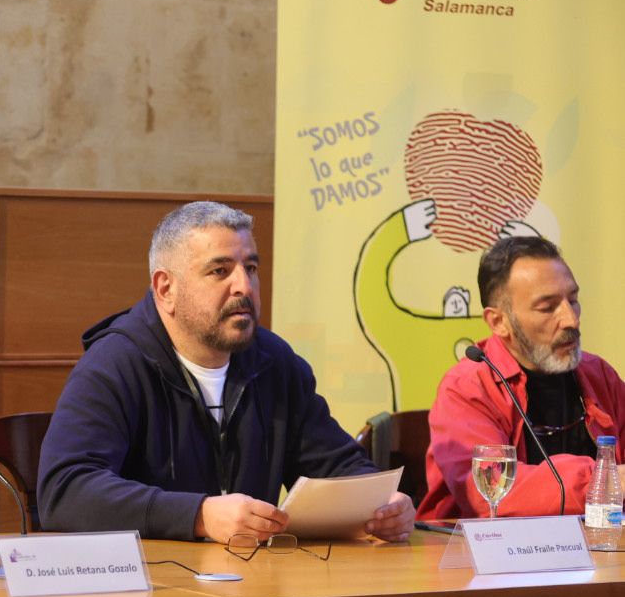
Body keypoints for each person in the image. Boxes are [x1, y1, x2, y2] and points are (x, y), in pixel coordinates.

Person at [37, 200, 415, 543]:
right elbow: (66, 491)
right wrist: (198, 515)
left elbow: (334, 464)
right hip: (152, 591)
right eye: (220, 271)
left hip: (254, 582)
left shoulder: (274, 361)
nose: (244, 286)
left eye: (250, 268)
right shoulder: (115, 364)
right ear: (166, 289)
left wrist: (382, 505)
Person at [419, 236, 625, 519]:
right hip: (484, 557)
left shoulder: (599, 375)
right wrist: (606, 481)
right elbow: (491, 492)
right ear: (499, 322)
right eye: (547, 307)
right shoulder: (467, 388)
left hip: (599, 550)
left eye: (573, 300)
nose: (571, 319)